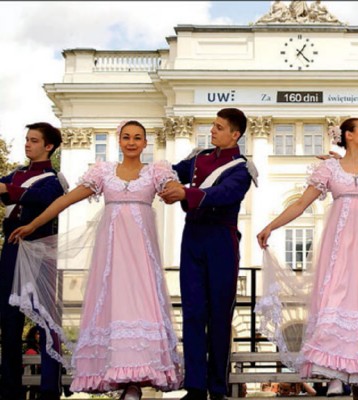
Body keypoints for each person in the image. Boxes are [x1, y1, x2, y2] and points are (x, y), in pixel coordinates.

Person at [9, 120, 183, 399]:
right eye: (126, 137)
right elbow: (65, 201)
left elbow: (174, 189)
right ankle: (117, 376)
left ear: (145, 143)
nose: (131, 142)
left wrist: (181, 191)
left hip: (141, 254)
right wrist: (33, 225)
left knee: (140, 306)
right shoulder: (103, 172)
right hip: (111, 253)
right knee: (113, 305)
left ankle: (135, 381)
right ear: (119, 141)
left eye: (138, 137)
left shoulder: (155, 171)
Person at [256, 118, 358, 400]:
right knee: (336, 301)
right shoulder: (329, 168)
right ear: (348, 135)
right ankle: (335, 377)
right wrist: (270, 226)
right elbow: (301, 204)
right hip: (339, 247)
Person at [159, 108, 256, 400]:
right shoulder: (199, 158)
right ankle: (196, 386)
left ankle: (217, 386)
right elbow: (171, 171)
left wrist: (186, 194)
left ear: (234, 134)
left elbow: (225, 194)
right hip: (193, 238)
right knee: (192, 313)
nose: (212, 130)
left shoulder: (242, 169)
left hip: (221, 240)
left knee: (218, 316)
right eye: (213, 125)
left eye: (218, 127)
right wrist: (160, 177)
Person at [0, 122, 65, 400]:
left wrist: (9, 190)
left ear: (48, 146)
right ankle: (9, 388)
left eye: (34, 140)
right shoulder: (15, 174)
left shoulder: (54, 178)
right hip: (13, 248)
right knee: (8, 319)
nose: (28, 144)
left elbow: (44, 198)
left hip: (40, 249)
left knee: (46, 319)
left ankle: (50, 388)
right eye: (27, 139)